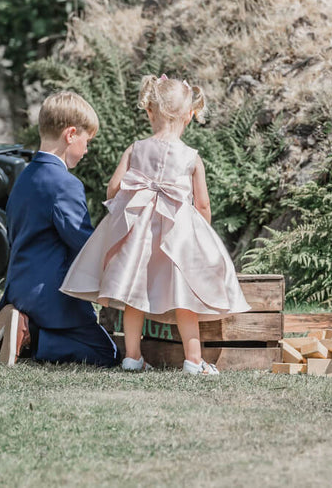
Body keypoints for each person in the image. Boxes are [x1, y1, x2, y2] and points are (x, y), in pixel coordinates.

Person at [59, 74, 251, 375]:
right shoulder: (191, 157)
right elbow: (202, 204)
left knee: (134, 293)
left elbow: (113, 188)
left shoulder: (135, 149)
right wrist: (202, 233)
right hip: (178, 235)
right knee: (185, 297)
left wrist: (131, 201)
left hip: (139, 235)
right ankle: (193, 360)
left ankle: (133, 357)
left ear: (150, 111)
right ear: (190, 115)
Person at [0, 91, 119, 368]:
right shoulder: (65, 184)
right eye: (87, 141)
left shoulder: (25, 176)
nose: (87, 150)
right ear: (71, 134)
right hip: (52, 297)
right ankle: (31, 337)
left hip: (20, 289)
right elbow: (83, 243)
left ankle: (20, 325)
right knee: (106, 353)